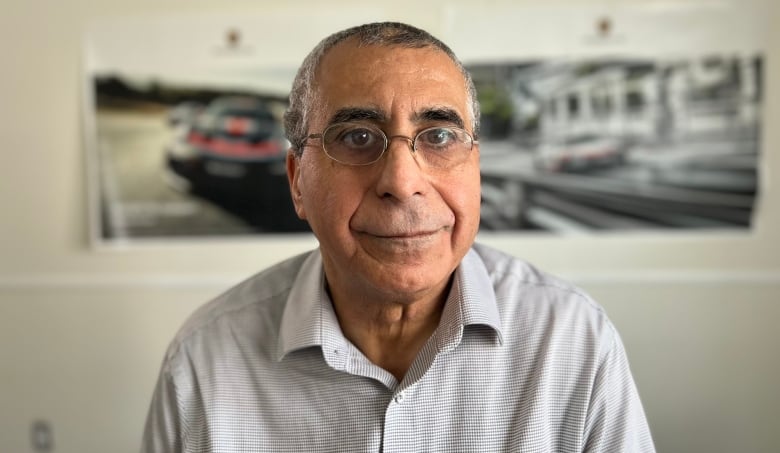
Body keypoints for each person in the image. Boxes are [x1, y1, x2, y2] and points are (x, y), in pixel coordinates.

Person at [142, 22, 655, 452]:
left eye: (438, 137)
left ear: (474, 169)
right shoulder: (205, 358)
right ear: (298, 180)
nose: (402, 182)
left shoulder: (572, 341)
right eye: (357, 137)